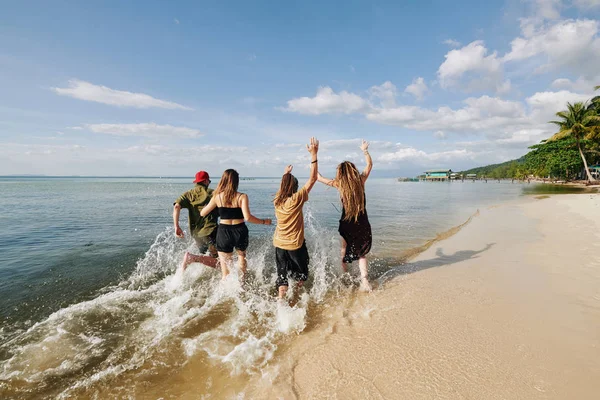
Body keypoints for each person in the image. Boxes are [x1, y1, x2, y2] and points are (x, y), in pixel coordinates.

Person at [318, 139, 373, 291]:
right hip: (362, 221)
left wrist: (313, 159)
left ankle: (345, 276)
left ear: (340, 173)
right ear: (353, 171)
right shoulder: (361, 181)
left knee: (344, 249)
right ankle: (365, 281)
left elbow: (318, 178)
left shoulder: (339, 184)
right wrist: (365, 150)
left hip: (346, 222)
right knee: (362, 253)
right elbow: (369, 165)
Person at [200, 169, 272, 280]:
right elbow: (248, 217)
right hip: (240, 230)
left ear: (223, 180)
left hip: (224, 232)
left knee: (226, 270)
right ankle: (242, 284)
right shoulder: (242, 197)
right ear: (236, 182)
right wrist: (264, 221)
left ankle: (227, 292)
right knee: (241, 257)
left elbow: (203, 213)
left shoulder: (217, 197)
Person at [273, 137, 319, 301]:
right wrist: (314, 155)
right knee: (301, 276)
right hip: (295, 246)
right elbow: (313, 179)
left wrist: (286, 174)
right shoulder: (296, 200)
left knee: (282, 278)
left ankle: (281, 303)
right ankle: (297, 298)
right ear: (295, 188)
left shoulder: (277, 200)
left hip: (279, 244)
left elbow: (282, 188)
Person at [173, 171, 219, 270]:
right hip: (210, 231)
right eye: (209, 181)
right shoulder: (212, 193)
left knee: (208, 258)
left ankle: (194, 261)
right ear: (206, 181)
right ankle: (192, 258)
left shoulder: (188, 194)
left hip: (196, 234)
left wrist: (176, 226)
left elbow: (176, 207)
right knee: (220, 262)